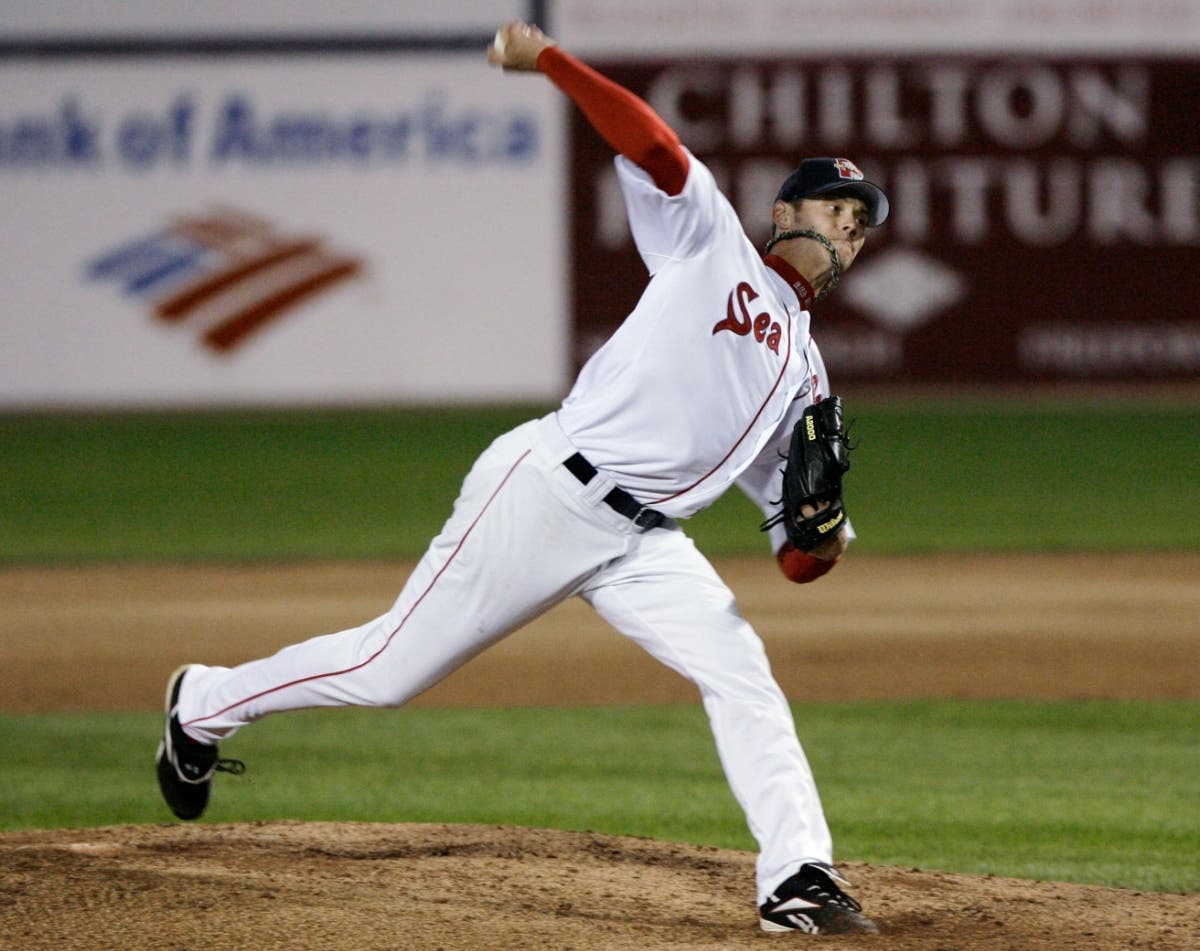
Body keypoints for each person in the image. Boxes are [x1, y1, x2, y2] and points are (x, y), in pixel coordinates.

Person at [156, 20, 890, 936]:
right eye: (834, 206)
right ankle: (205, 703)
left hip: (645, 542)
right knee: (388, 670)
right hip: (548, 490)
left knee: (743, 673)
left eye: (860, 222)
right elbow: (653, 144)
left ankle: (798, 876)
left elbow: (795, 559)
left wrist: (820, 531)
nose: (849, 227)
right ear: (785, 212)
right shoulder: (710, 245)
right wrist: (548, 60)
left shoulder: (810, 378)